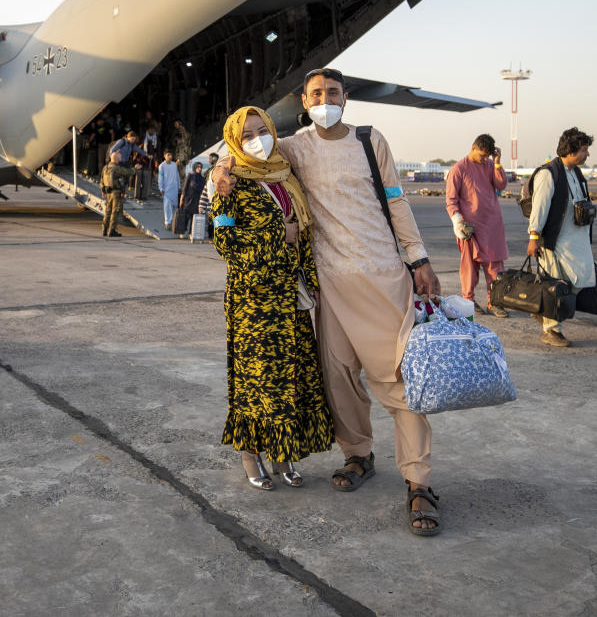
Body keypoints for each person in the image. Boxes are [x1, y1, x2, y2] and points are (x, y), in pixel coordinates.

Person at [214, 67, 443, 536]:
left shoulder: (369, 139)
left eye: (333, 93)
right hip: (331, 288)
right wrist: (219, 172)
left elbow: (396, 201)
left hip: (382, 277)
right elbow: (241, 149)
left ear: (346, 98)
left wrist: (418, 259)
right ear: (304, 100)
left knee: (398, 381)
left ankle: (418, 482)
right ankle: (358, 454)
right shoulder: (295, 147)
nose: (325, 100)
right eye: (316, 94)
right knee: (338, 378)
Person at [211, 107, 333, 489]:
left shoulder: (284, 174)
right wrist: (281, 239)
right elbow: (224, 242)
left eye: (261, 130)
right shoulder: (229, 183)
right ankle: (250, 454)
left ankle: (284, 454)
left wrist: (310, 279)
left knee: (290, 378)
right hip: (254, 301)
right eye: (246, 135)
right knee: (257, 380)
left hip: (290, 298)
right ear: (234, 140)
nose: (256, 139)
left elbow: (305, 233)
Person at [526, 127, 596, 348]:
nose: (587, 154)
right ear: (571, 150)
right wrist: (533, 237)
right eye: (584, 150)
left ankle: (543, 310)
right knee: (556, 286)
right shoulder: (549, 174)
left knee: (583, 278)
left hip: (577, 240)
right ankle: (552, 330)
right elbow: (540, 207)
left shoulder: (575, 173)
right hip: (556, 241)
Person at [445, 133, 510, 317]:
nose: (484, 159)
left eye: (487, 156)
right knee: (469, 269)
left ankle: (495, 302)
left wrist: (497, 163)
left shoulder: (490, 165)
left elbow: (502, 184)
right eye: (482, 155)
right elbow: (451, 200)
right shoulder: (459, 169)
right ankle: (469, 302)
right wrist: (457, 222)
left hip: (492, 226)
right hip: (470, 229)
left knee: (495, 269)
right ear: (473, 148)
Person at [100, 151, 136, 237]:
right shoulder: (116, 168)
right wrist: (135, 169)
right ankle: (112, 230)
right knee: (115, 211)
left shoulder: (106, 167)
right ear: (116, 159)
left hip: (108, 191)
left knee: (108, 210)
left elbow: (102, 180)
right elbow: (127, 172)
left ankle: (104, 228)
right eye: (120, 157)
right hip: (116, 192)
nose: (121, 158)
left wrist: (103, 191)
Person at [172, 161, 205, 238]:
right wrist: (181, 200)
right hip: (188, 200)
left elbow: (204, 191)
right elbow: (184, 189)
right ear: (194, 167)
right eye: (198, 167)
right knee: (185, 217)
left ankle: (191, 233)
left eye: (200, 167)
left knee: (194, 218)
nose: (199, 169)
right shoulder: (190, 176)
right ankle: (183, 232)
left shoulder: (202, 179)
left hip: (197, 201)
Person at [157, 150, 180, 227]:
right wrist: (161, 188)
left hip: (174, 189)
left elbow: (177, 176)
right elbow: (160, 178)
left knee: (174, 205)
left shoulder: (174, 165)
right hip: (166, 189)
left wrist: (179, 186)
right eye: (168, 155)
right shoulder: (162, 166)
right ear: (165, 156)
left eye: (171, 155)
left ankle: (173, 221)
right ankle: (167, 222)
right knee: (167, 206)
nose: (170, 156)